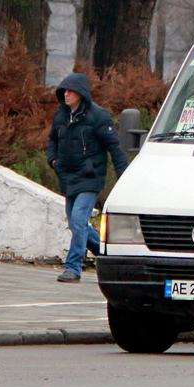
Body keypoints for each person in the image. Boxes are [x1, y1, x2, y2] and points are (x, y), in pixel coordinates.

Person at [47, 73, 128, 283]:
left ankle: (73, 268)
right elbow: (52, 140)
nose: (66, 95)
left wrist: (125, 179)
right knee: (77, 225)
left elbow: (115, 149)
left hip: (90, 178)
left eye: (71, 91)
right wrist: (53, 161)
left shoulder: (98, 116)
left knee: (79, 220)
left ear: (81, 94)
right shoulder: (61, 115)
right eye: (64, 91)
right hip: (68, 178)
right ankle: (107, 256)